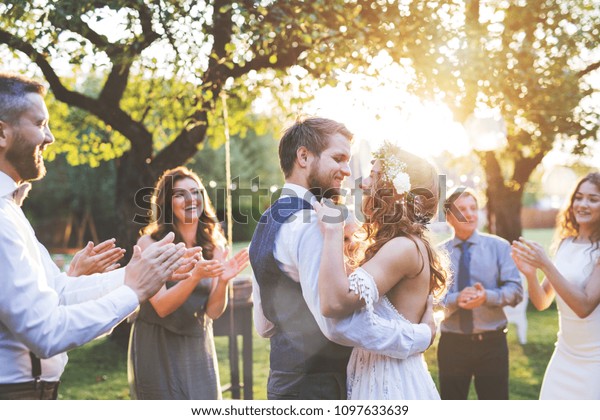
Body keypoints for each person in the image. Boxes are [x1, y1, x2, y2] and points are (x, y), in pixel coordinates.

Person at [0, 73, 192, 399]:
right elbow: (46, 332)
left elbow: (59, 292)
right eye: (40, 123)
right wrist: (133, 290)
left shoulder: (10, 212)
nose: (50, 137)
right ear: (2, 132)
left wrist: (135, 275)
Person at [249, 117, 436, 400]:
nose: (347, 172)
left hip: (282, 380)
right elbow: (337, 325)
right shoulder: (314, 223)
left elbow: (265, 325)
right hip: (318, 386)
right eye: (338, 159)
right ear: (303, 156)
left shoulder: (266, 220)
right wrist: (422, 336)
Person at [314, 142, 448, 399]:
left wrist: (332, 232)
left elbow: (333, 303)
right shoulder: (396, 244)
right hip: (376, 373)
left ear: (395, 192)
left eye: (374, 176)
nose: (363, 182)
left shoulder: (403, 248)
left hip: (391, 384)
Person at [128, 166, 249, 399]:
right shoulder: (150, 244)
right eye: (179, 194)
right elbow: (161, 306)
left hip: (197, 341)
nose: (190, 199)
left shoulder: (215, 246)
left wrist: (223, 282)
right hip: (157, 342)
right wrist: (194, 277)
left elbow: (213, 312)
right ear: (167, 204)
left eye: (195, 192)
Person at [511, 172, 600, 399]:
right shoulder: (565, 244)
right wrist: (531, 274)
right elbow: (542, 302)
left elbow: (584, 306)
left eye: (593, 199)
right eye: (578, 197)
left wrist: (546, 264)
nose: (582, 204)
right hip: (564, 355)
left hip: (594, 361)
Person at [437, 188, 523, 400]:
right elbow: (429, 300)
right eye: (462, 209)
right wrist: (457, 299)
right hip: (452, 344)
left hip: (492, 344)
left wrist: (488, 297)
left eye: (473, 208)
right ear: (448, 217)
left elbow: (516, 291)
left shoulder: (499, 247)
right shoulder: (437, 254)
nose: (470, 214)